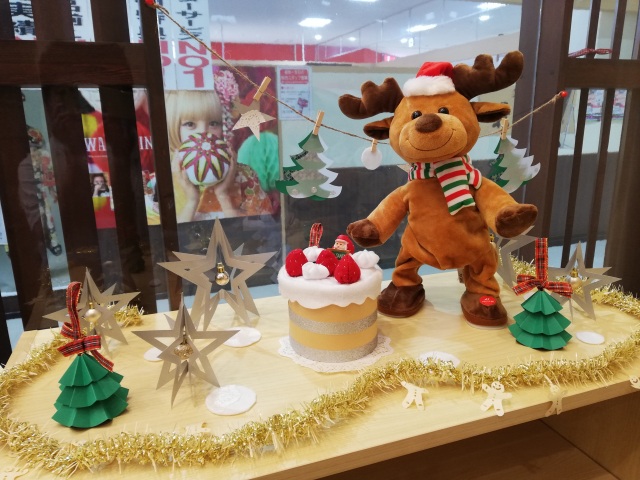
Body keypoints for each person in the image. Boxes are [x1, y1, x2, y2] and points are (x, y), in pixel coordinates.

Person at [164, 90, 273, 222]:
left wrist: (223, 196)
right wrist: (192, 202)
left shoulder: (245, 177)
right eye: (190, 124)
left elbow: (262, 230)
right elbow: (163, 233)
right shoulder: (161, 183)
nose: (203, 132)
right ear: (175, 128)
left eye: (214, 123)